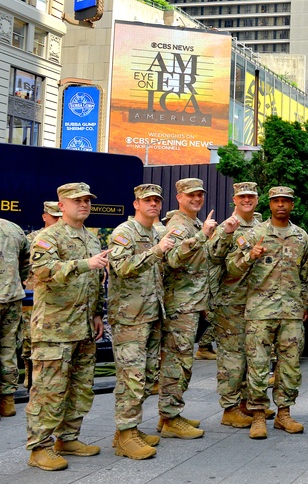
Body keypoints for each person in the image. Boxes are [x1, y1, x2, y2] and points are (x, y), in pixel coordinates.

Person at [25, 183, 106, 471]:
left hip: (83, 326)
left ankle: (68, 437)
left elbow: (96, 281)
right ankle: (40, 447)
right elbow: (44, 272)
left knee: (80, 387)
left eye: (86, 200)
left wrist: (97, 313)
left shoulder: (91, 238)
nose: (83, 205)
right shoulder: (48, 237)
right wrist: (84, 264)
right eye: (77, 201)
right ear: (61, 206)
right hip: (54, 329)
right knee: (49, 390)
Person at [228, 186, 308, 440]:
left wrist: (304, 303)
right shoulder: (255, 234)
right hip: (260, 312)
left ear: (292, 205)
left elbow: (307, 275)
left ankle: (284, 413)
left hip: (291, 312)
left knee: (290, 366)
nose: (281, 206)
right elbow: (232, 268)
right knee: (258, 365)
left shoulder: (301, 237)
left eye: (286, 201)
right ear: (270, 204)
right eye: (277, 201)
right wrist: (249, 257)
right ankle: (257, 414)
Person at [107, 184, 174, 459]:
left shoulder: (157, 232)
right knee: (131, 378)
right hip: (129, 318)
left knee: (146, 376)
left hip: (151, 314)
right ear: (136, 203)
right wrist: (156, 251)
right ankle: (125, 435)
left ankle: (128, 430)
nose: (154, 205)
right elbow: (121, 268)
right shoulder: (124, 233)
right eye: (148, 200)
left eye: (157, 200)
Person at [158, 178, 227, 439]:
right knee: (177, 363)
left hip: (191, 303)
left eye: (199, 195)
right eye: (191, 196)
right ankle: (169, 418)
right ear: (179, 197)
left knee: (182, 361)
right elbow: (173, 259)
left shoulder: (194, 223)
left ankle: (170, 414)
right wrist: (202, 236)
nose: (196, 199)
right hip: (179, 307)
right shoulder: (178, 226)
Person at [208, 182, 264, 429]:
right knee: (232, 356)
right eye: (242, 197)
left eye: (250, 196)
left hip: (257, 299)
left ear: (257, 199)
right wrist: (226, 233)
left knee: (251, 355)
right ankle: (229, 407)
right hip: (231, 300)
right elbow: (213, 256)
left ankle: (245, 403)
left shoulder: (262, 225)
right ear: (234, 199)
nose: (246, 200)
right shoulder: (228, 226)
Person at [20, 202, 60, 389]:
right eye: (54, 217)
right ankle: (29, 374)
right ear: (45, 217)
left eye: (60, 216)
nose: (58, 220)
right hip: (33, 294)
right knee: (29, 337)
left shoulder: (65, 237)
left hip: (58, 297)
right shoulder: (31, 239)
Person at [0, 217, 29, 420]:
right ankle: (7, 400)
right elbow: (27, 261)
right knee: (8, 347)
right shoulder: (13, 227)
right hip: (11, 297)